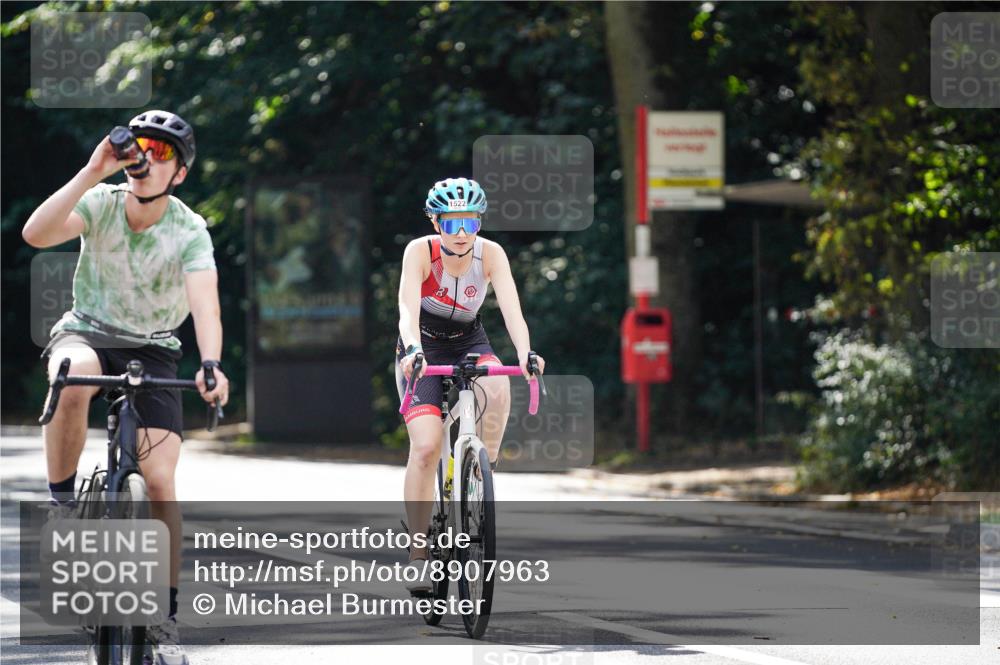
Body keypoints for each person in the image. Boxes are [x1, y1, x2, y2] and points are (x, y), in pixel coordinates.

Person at [22, 110, 229, 665]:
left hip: (156, 347)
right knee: (70, 375)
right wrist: (92, 171)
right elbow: (36, 234)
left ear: (179, 173)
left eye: (164, 154)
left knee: (160, 481)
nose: (147, 159)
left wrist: (211, 362)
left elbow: (205, 301)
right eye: (141, 147)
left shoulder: (189, 229)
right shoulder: (102, 201)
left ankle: (162, 617)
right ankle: (64, 505)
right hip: (86, 331)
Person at [395, 177, 545, 593]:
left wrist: (526, 354)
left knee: (498, 388)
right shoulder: (420, 252)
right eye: (451, 224)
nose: (461, 234)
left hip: (469, 341)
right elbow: (407, 308)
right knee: (425, 446)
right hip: (422, 347)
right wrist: (411, 350)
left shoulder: (491, 253)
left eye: (470, 223)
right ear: (435, 222)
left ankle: (482, 468)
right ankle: (418, 553)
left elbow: (512, 309)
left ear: (479, 223)